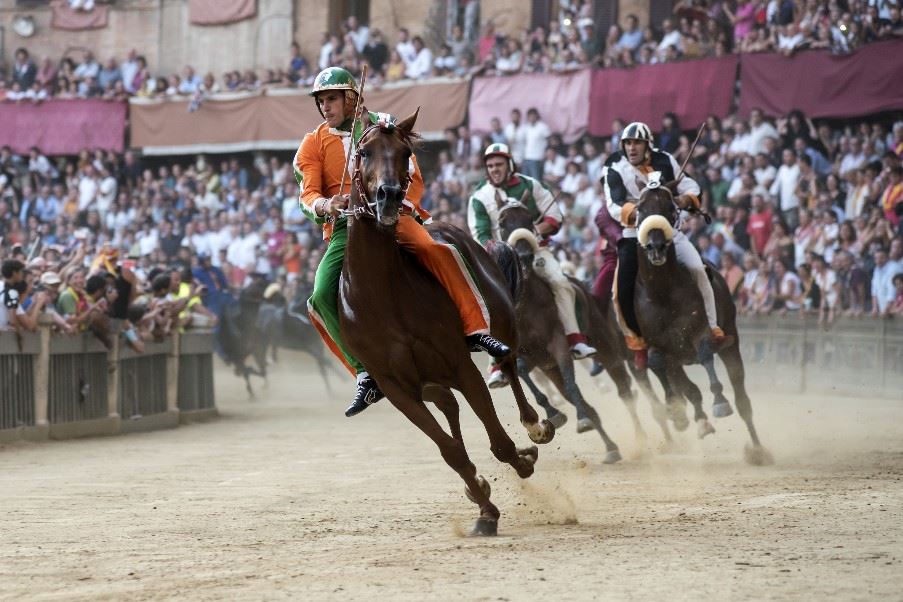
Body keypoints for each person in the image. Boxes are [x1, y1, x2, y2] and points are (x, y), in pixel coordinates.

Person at [294, 67, 510, 418]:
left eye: (331, 98)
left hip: (394, 215)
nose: (325, 107)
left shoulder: (385, 124)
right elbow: (308, 194)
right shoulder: (312, 143)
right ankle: (364, 371)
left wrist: (396, 206)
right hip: (347, 230)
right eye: (321, 101)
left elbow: (412, 174)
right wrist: (326, 204)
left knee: (434, 248)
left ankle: (475, 329)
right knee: (318, 297)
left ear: (351, 97)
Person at [602, 121, 734, 368]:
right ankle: (637, 343)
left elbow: (691, 186)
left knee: (698, 269)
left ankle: (714, 328)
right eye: (628, 143)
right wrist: (641, 212)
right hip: (635, 235)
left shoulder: (666, 160)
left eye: (637, 143)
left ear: (647, 144)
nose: (632, 148)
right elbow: (613, 204)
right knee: (619, 293)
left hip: (670, 232)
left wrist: (685, 198)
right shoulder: (613, 166)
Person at [467, 142, 598, 385]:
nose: (495, 169)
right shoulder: (479, 196)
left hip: (536, 250)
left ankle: (575, 338)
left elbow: (555, 216)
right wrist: (499, 248)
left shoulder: (530, 184)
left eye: (499, 164)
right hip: (503, 259)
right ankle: (495, 364)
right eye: (490, 165)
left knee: (561, 282)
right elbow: (480, 234)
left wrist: (533, 230)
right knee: (489, 302)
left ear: (510, 165)